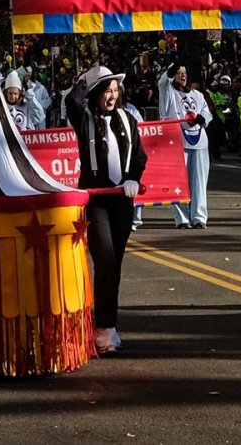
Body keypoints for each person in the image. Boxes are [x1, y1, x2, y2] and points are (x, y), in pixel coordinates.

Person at [70, 66, 144, 355]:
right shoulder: (84, 118)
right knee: (105, 262)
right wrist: (85, 79)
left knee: (115, 266)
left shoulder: (128, 120)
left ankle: (107, 327)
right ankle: (102, 329)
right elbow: (71, 102)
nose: (111, 96)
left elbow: (139, 156)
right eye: (106, 90)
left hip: (121, 200)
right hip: (97, 199)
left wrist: (133, 178)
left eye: (115, 90)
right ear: (96, 94)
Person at [157, 66, 214, 229]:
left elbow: (206, 112)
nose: (182, 76)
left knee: (199, 182)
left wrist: (203, 118)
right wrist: (173, 65)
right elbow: (163, 80)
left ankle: (199, 217)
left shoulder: (197, 95)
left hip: (200, 143)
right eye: (179, 73)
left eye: (185, 73)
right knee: (178, 182)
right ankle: (182, 218)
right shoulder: (168, 94)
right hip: (176, 143)